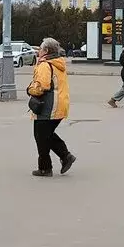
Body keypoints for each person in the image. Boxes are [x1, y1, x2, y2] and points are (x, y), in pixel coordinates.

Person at [27, 37, 76, 177]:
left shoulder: (45, 65)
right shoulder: (57, 63)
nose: (39, 51)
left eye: (41, 49)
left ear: (46, 51)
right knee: (47, 135)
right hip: (60, 105)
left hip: (48, 106)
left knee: (41, 136)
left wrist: (30, 89)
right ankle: (65, 156)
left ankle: (45, 168)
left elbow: (42, 86)